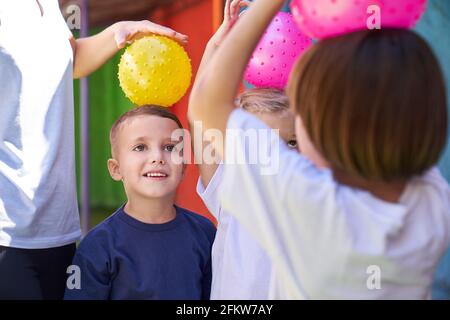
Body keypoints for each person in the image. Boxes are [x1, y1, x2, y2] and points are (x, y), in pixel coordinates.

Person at [188, 0, 450, 299]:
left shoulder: (308, 202)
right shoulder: (432, 202)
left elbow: (206, 105)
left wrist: (266, 7)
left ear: (328, 128)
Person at [0, 0, 187, 299]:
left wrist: (120, 31)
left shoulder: (47, 5)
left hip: (57, 227)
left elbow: (70, 59)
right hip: (7, 227)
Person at [64, 106, 215, 300]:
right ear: (116, 169)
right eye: (140, 147)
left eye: (169, 148)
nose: (157, 158)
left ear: (184, 168)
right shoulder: (97, 245)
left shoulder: (205, 233)